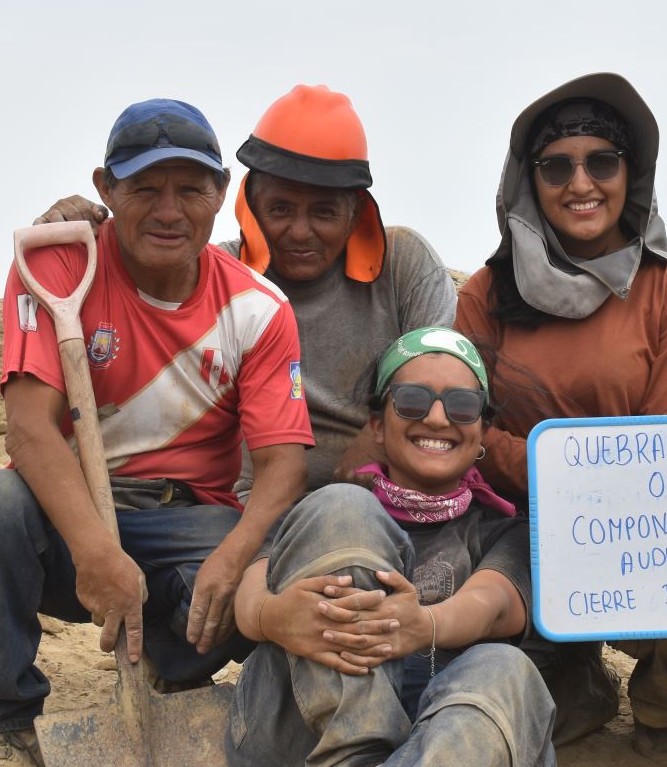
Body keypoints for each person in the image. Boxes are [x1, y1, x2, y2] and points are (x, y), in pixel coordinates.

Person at [0, 98, 312, 767]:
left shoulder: (259, 308)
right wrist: (94, 551)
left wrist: (233, 557)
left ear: (220, 197)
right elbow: (29, 432)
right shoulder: (55, 267)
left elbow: (283, 466)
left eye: (190, 189)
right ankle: (1, 724)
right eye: (144, 188)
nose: (168, 210)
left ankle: (176, 671)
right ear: (105, 189)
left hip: (184, 516)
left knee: (257, 578)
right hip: (66, 512)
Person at [228, 327, 554, 767]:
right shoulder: (320, 515)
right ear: (376, 424)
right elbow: (248, 593)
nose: (437, 417)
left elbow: (497, 603)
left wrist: (422, 624)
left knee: (509, 669)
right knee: (340, 506)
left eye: (461, 407)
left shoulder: (509, 526)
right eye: (412, 401)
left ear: (484, 432)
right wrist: (273, 617)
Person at [454, 73, 667, 758]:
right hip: (514, 523)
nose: (581, 183)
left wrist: (545, 462)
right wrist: (552, 472)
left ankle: (662, 682)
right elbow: (463, 433)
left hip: (634, 527)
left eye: (602, 161)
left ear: (634, 175)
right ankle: (574, 674)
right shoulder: (485, 294)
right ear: (527, 182)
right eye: (556, 166)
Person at [36, 84, 456, 497]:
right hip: (248, 504)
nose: (299, 231)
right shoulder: (217, 278)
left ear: (356, 214)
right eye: (280, 209)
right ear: (247, 202)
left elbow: (442, 374)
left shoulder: (404, 267)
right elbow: (136, 278)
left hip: (377, 493)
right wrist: (77, 228)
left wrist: (375, 441)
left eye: (324, 212)